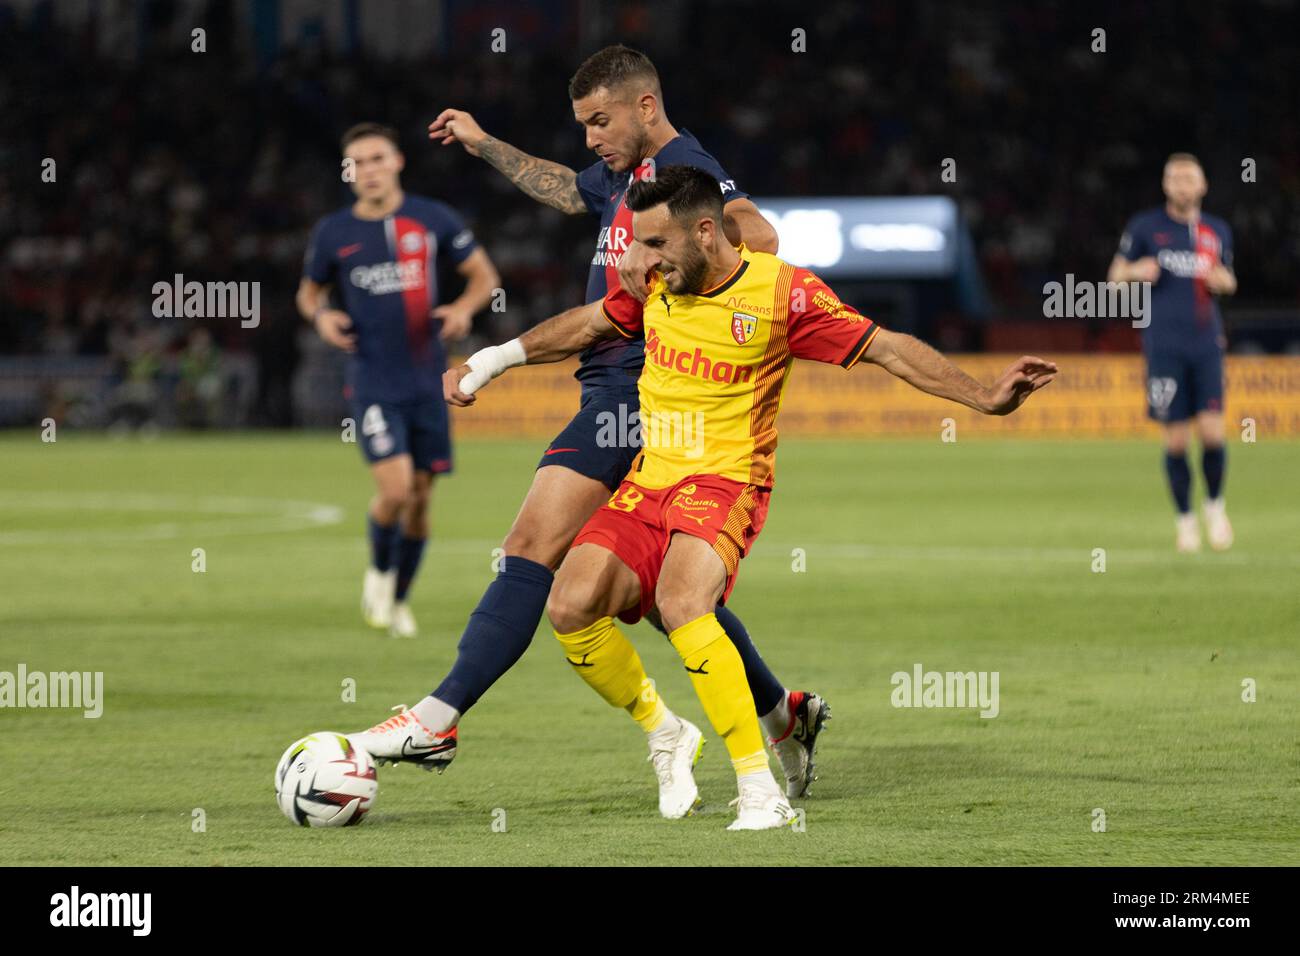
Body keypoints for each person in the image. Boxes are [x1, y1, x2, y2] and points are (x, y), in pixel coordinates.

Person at [440, 165, 1056, 828]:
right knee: (569, 604)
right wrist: (490, 361)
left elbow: (887, 350)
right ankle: (667, 730)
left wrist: (984, 397)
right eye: (636, 243)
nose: (637, 258)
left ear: (706, 232)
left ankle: (757, 787)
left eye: (653, 243)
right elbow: (588, 325)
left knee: (681, 602)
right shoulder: (653, 283)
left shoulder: (781, 294)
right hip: (651, 478)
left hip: (728, 480)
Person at [349, 47, 826, 817]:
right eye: (581, 124)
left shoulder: (682, 163)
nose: (589, 138)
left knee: (532, 545)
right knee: (664, 599)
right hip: (607, 383)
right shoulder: (614, 176)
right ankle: (781, 712)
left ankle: (436, 720)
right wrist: (483, 142)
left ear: (644, 108)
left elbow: (753, 231)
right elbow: (570, 192)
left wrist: (667, 254)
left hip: (642, 389)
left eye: (599, 121)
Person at [296, 122, 500, 637]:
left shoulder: (432, 220)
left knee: (422, 500)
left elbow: (484, 277)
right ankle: (379, 573)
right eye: (356, 163)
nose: (367, 170)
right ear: (348, 173)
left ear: (397, 162)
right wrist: (321, 319)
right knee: (396, 489)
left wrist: (462, 309)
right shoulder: (334, 233)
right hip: (372, 381)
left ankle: (400, 598)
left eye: (376, 159)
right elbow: (309, 294)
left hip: (427, 380)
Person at [1108, 153, 1237, 552]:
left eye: (1189, 178)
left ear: (1202, 186)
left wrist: (1224, 281)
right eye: (1174, 177)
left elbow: (1229, 279)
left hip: (1206, 344)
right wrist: (1135, 271)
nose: (1182, 184)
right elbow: (1114, 279)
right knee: (1177, 441)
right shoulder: (1145, 227)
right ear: (1166, 185)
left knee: (1213, 434)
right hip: (1163, 346)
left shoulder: (1216, 230)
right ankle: (1185, 520)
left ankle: (1214, 506)